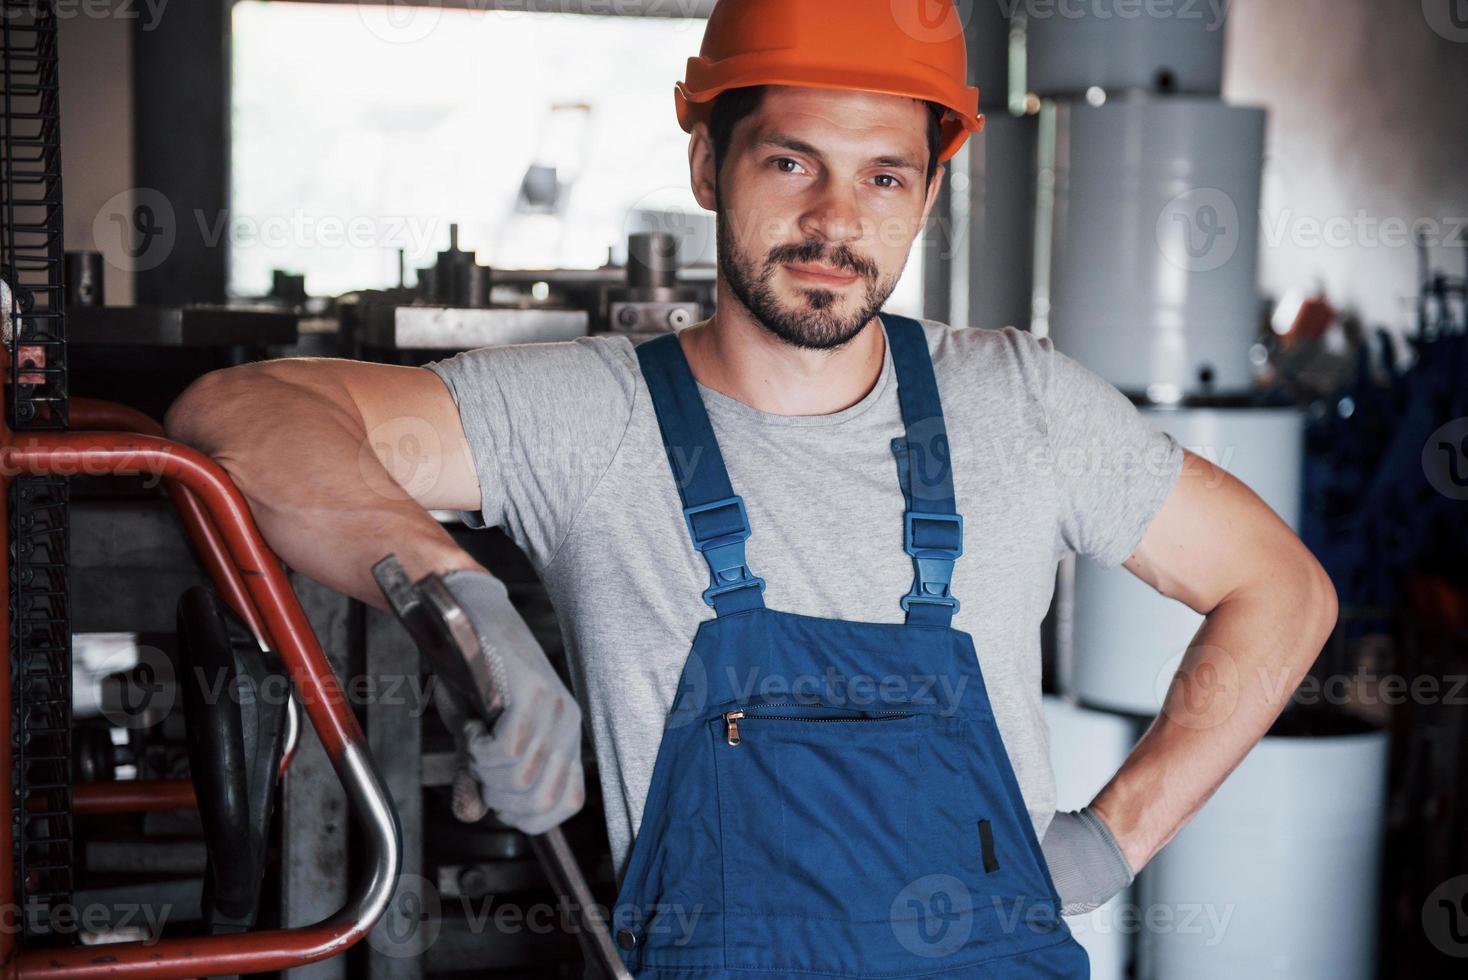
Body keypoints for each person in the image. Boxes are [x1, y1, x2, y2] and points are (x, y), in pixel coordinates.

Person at [166, 1, 1337, 974]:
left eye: (885, 176)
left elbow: (1281, 589)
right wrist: (469, 608)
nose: (836, 221)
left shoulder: (1023, 405)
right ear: (705, 163)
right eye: (792, 161)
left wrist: (1108, 842)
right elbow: (239, 415)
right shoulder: (585, 416)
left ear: (928, 196)